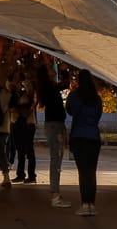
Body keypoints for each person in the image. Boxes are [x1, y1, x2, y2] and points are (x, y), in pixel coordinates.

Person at [66, 68, 104, 215]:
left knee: (83, 172)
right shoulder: (97, 99)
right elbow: (98, 116)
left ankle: (84, 204)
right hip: (93, 137)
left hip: (79, 136)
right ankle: (92, 204)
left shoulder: (75, 96)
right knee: (91, 172)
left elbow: (69, 110)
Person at [37, 61, 71, 207]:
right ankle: (55, 195)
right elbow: (65, 84)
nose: (54, 70)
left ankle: (55, 193)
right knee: (56, 159)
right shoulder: (49, 87)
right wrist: (65, 71)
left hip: (54, 125)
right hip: (55, 125)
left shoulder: (47, 87)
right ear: (46, 73)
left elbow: (64, 84)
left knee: (56, 158)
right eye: (51, 68)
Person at [9, 81, 37, 183]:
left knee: (28, 150)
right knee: (21, 150)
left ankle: (31, 175)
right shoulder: (13, 95)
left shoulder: (27, 95)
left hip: (27, 124)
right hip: (18, 123)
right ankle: (21, 174)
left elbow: (29, 107)